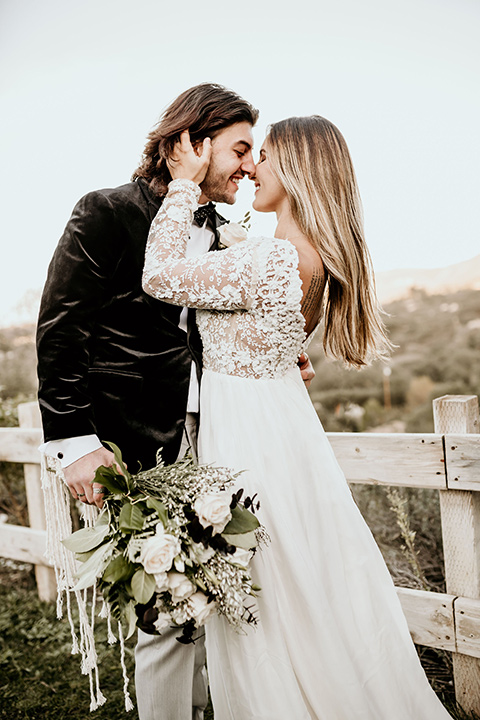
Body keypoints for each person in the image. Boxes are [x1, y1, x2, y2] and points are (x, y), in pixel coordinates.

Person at [141, 119, 453, 719]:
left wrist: (182, 184)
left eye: (265, 156)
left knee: (273, 589)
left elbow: (160, 277)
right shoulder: (297, 256)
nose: (253, 167)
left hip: (252, 437)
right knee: (296, 583)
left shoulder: (277, 257)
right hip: (275, 423)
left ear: (300, 170)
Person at [37, 82, 313, 720]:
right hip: (131, 444)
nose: (250, 166)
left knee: (217, 599)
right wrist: (77, 446)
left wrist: (276, 349)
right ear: (190, 141)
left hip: (221, 438)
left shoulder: (227, 232)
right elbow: (60, 334)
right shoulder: (105, 212)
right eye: (240, 148)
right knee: (164, 610)